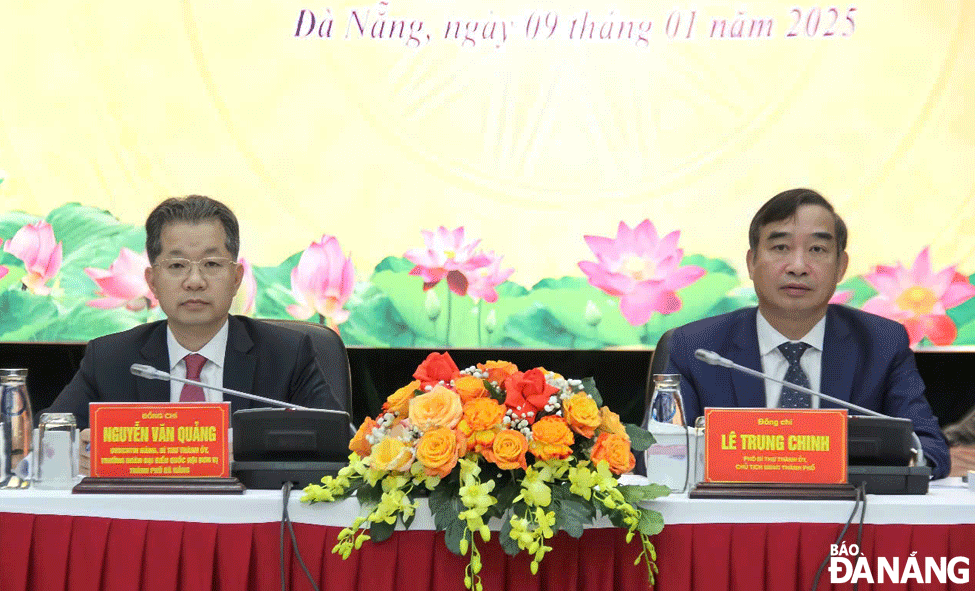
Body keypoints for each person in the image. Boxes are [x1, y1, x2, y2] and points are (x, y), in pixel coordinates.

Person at [662, 188, 951, 479]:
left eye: (817, 250)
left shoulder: (881, 344)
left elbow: (929, 448)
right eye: (780, 248)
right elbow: (659, 453)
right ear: (751, 263)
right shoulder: (698, 348)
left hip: (846, 516)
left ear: (841, 267)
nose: (798, 267)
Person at [43, 195, 342, 437]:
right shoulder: (111, 359)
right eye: (176, 266)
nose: (195, 281)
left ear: (237, 278)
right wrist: (78, 449)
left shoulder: (287, 356)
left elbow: (335, 442)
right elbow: (50, 434)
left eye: (211, 264)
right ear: (152, 282)